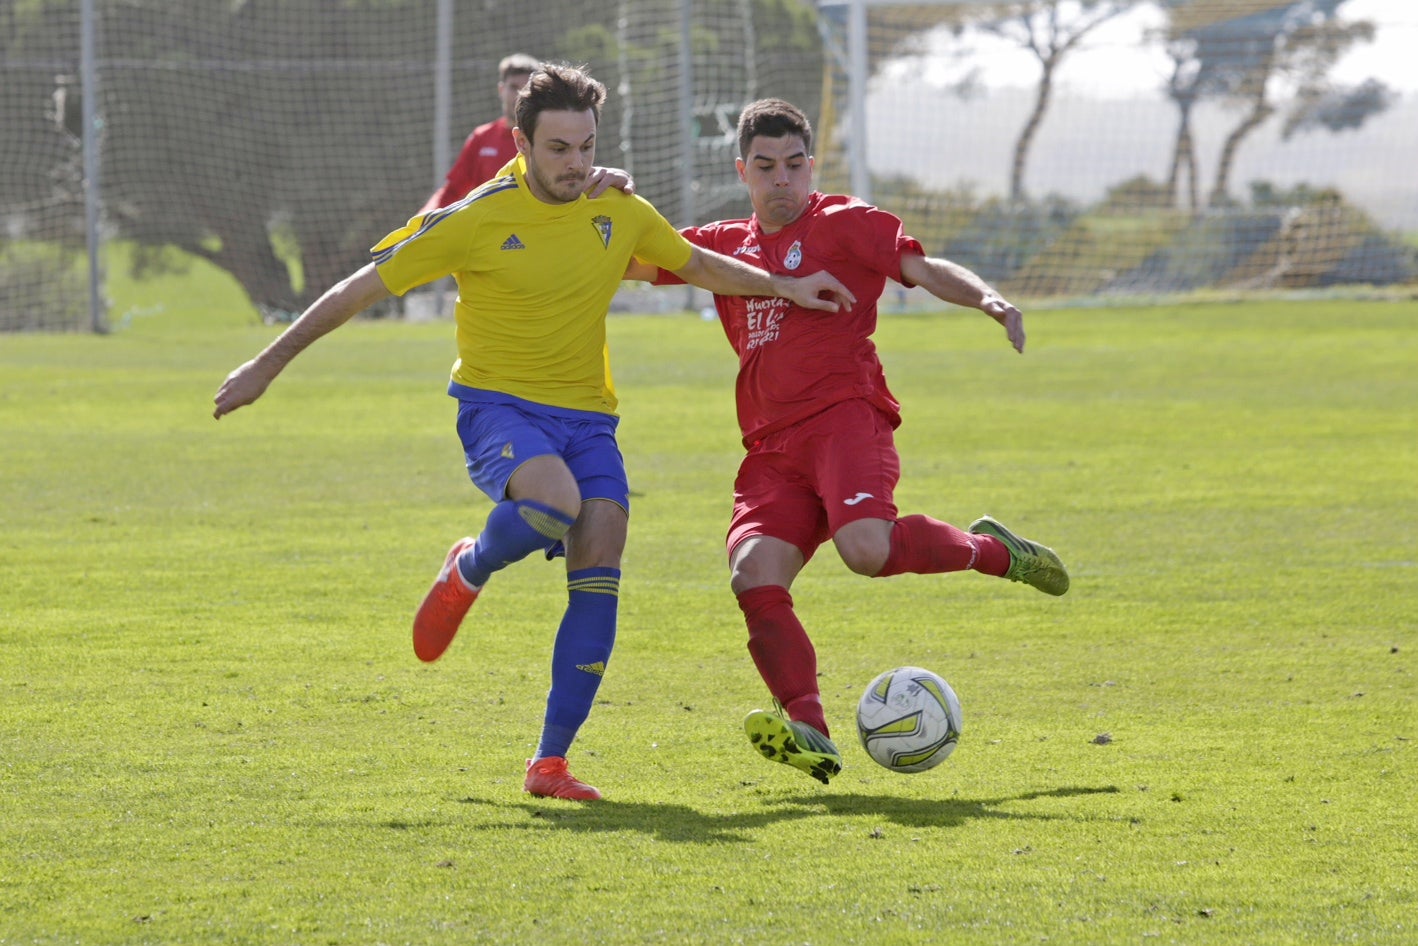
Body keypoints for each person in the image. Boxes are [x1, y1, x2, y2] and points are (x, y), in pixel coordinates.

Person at [213, 68, 853, 802]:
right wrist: (267, 364)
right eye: (557, 148)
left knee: (603, 543)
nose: (576, 164)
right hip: (497, 405)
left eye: (585, 146)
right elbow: (356, 290)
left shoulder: (618, 208)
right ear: (519, 143)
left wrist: (786, 285)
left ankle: (549, 763)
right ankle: (471, 565)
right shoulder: (478, 216)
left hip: (588, 417)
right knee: (554, 501)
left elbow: (697, 262)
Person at [625, 98, 1069, 786]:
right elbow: (622, 257)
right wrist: (600, 196)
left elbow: (923, 267)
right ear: (743, 170)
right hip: (771, 450)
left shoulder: (844, 223)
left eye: (795, 166)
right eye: (766, 167)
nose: (782, 181)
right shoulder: (717, 245)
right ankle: (809, 728)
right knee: (753, 576)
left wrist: (988, 299)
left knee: (866, 550)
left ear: (811, 166)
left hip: (845, 420)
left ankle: (994, 553)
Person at [419, 53, 540, 214]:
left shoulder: (545, 139)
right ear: (501, 89)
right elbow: (452, 191)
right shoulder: (482, 138)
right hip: (486, 233)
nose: (519, 95)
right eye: (513, 87)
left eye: (525, 89)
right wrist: (422, 218)